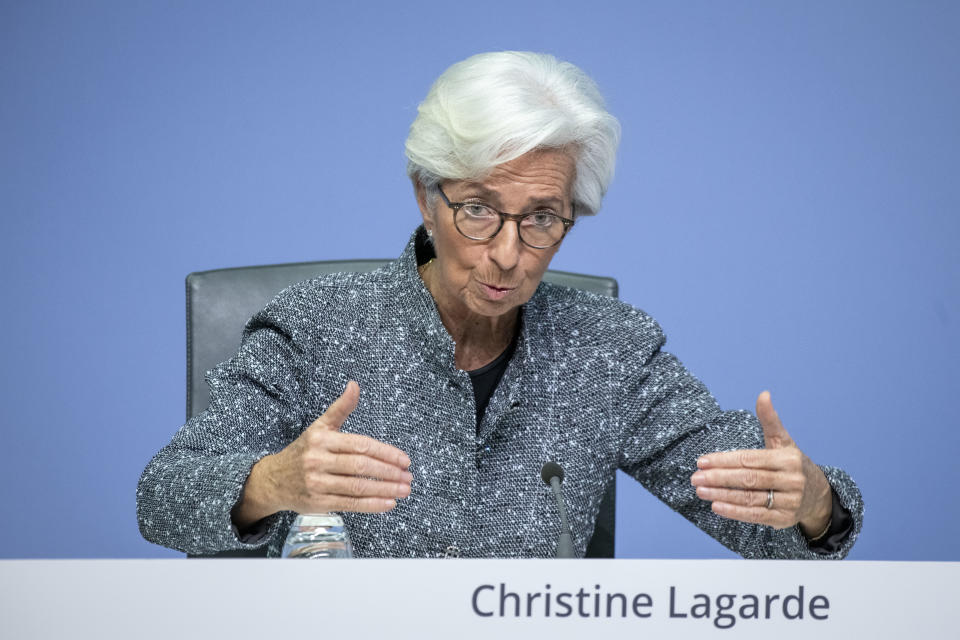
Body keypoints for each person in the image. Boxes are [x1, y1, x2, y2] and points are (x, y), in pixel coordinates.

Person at [137, 51, 862, 558]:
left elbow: (773, 531)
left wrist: (813, 503)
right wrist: (270, 482)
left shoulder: (607, 351)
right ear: (428, 196)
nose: (509, 253)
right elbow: (163, 495)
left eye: (541, 217)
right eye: (479, 210)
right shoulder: (314, 327)